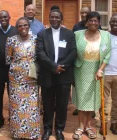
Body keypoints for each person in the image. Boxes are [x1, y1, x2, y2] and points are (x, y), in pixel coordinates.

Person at [36, 9, 77, 140]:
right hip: (48, 74)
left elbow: (73, 52)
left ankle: (59, 129)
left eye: (57, 17)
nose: (54, 19)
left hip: (64, 75)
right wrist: (54, 67)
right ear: (49, 18)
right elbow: (40, 53)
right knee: (47, 104)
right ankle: (47, 130)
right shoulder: (42, 34)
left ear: (61, 19)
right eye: (52, 17)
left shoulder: (69, 34)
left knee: (62, 105)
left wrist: (61, 67)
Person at [72, 11, 111, 140]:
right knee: (82, 99)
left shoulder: (105, 35)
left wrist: (101, 69)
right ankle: (80, 127)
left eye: (96, 21)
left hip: (97, 70)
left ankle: (88, 127)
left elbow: (108, 54)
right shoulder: (77, 35)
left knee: (92, 100)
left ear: (99, 22)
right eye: (91, 20)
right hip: (81, 70)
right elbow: (72, 52)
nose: (93, 23)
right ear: (86, 22)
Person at [6, 17, 41, 139]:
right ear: (17, 28)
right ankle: (18, 133)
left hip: (32, 78)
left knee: (31, 106)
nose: (23, 28)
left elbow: (39, 57)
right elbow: (8, 58)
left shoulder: (36, 39)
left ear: (29, 26)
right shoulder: (11, 40)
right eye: (20, 26)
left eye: (25, 25)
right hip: (16, 79)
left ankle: (32, 133)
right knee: (17, 106)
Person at [71, 7, 101, 117]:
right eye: (82, 12)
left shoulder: (99, 30)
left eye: (85, 12)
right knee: (80, 90)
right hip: (80, 64)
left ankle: (91, 110)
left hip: (95, 65)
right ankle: (79, 108)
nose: (83, 14)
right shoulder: (76, 28)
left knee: (92, 91)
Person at [99, 13, 117, 135]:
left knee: (116, 101)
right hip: (105, 73)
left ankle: (114, 123)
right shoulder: (104, 36)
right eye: (113, 21)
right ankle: (103, 123)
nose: (115, 23)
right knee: (103, 101)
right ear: (109, 22)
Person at [0, 10, 18, 131]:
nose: (3, 19)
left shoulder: (16, 31)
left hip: (13, 69)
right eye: (1, 17)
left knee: (13, 95)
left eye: (5, 17)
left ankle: (13, 118)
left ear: (9, 17)